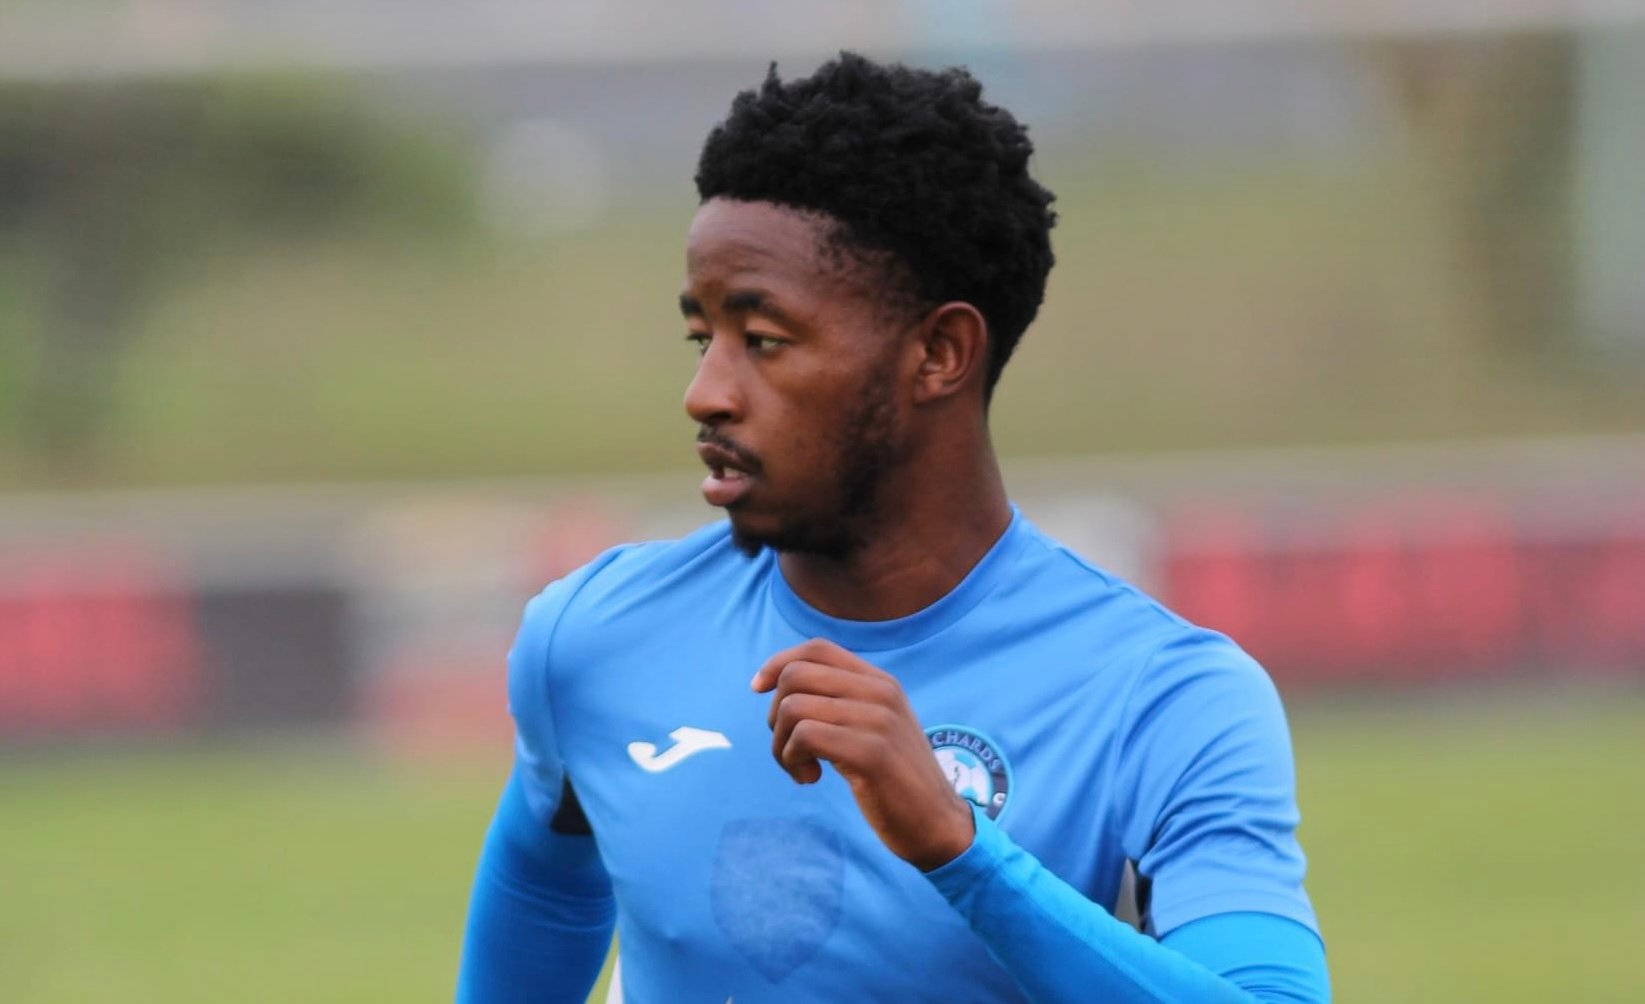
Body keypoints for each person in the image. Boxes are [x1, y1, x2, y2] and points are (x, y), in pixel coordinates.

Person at [457, 52, 1330, 1003]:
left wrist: (961, 854)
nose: (704, 393)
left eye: (764, 341)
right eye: (701, 338)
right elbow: (542, 895)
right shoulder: (593, 637)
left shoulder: (1162, 700)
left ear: (939, 354)